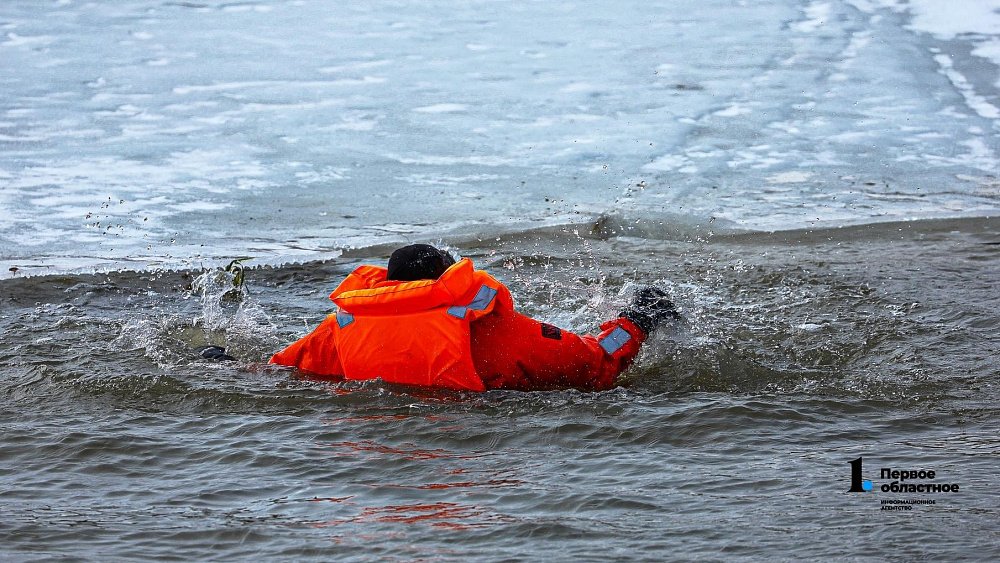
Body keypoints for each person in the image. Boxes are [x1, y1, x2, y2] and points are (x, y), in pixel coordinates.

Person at [264, 244, 679, 392]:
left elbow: (280, 369)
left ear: (385, 286)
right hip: (462, 442)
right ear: (448, 277)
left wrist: (223, 365)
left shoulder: (344, 328)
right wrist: (638, 319)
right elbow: (596, 365)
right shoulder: (492, 332)